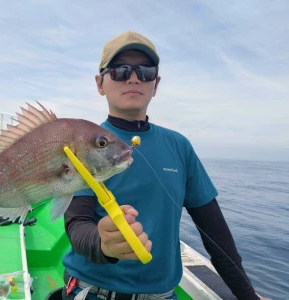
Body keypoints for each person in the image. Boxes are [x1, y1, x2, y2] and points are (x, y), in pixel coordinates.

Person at [61, 31, 269, 300]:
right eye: (120, 70)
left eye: (145, 71)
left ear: (155, 84)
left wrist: (248, 296)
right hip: (92, 292)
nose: (134, 77)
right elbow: (77, 223)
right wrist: (102, 244)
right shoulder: (82, 145)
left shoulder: (180, 147)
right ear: (100, 83)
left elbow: (216, 235)